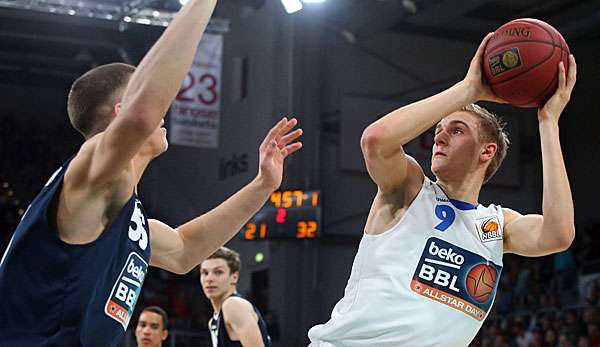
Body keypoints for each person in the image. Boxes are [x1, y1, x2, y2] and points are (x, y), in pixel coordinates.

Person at [0, 0, 303, 345]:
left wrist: (263, 185)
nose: (165, 112)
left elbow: (186, 251)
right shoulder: (87, 175)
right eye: (150, 98)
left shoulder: (126, 214)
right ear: (121, 111)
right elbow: (143, 113)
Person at [308, 33, 577, 346]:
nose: (439, 137)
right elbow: (375, 141)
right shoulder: (410, 190)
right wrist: (468, 90)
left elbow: (558, 234)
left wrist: (548, 123)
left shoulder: (493, 228)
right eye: (438, 130)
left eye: (456, 130)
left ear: (486, 152)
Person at [200, 246, 271, 347]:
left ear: (234, 277)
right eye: (205, 273)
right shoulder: (214, 321)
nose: (209, 279)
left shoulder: (234, 305)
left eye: (218, 272)